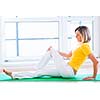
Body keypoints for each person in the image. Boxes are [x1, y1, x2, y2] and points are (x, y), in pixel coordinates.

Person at [3, 26, 99, 80]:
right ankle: (14, 74)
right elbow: (68, 55)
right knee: (41, 72)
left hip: (69, 71)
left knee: (51, 50)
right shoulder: (78, 45)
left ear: (84, 34)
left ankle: (36, 67)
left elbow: (96, 62)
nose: (76, 36)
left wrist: (93, 77)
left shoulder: (85, 46)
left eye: (78, 34)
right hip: (66, 70)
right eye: (76, 35)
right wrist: (55, 52)